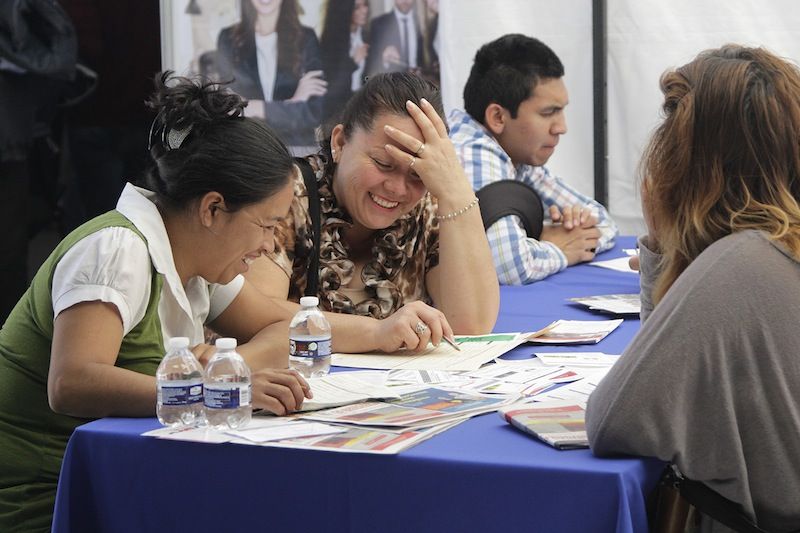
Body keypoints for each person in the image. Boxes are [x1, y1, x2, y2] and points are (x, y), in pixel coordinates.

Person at [0, 72, 317, 532]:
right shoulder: (116, 249)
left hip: (118, 480)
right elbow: (70, 382)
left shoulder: (197, 262)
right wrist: (216, 391)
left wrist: (384, 333)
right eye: (267, 226)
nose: (270, 245)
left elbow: (284, 324)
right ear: (212, 209)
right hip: (43, 501)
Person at [586, 45, 800, 532]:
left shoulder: (742, 263)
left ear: (692, 161)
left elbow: (618, 419)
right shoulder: (774, 248)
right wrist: (663, 249)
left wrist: (661, 238)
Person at [246, 71, 499, 337]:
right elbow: (254, 313)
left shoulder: (429, 206)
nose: (397, 188)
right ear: (340, 142)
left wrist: (456, 190)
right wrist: (376, 332)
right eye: (383, 164)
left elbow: (472, 326)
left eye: (417, 173)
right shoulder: (285, 196)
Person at [449, 34, 618, 284]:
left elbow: (602, 221)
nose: (561, 127)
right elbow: (509, 267)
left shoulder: (517, 154)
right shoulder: (475, 152)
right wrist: (560, 249)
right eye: (549, 113)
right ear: (498, 117)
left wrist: (543, 237)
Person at [216, 0, 326, 151]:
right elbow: (228, 109)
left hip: (297, 149)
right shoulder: (228, 39)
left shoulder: (305, 39)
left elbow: (313, 111)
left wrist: (256, 107)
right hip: (247, 147)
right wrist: (293, 103)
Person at [319, 0, 369, 123]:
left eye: (365, 5)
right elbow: (332, 87)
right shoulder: (330, 43)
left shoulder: (368, 36)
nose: (364, 11)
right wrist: (354, 62)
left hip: (365, 108)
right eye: (357, 7)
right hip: (339, 111)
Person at [364, 0, 422, 78]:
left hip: (419, 85)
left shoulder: (422, 24)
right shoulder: (378, 24)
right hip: (391, 84)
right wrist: (385, 61)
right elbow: (370, 64)